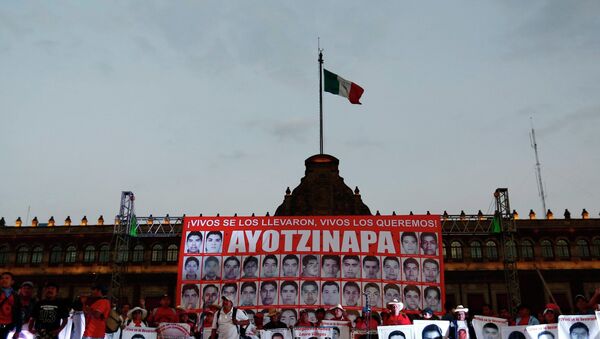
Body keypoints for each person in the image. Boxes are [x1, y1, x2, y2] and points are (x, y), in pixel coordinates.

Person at [0, 272, 21, 339]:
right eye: (2, 278)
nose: (4, 280)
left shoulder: (16, 296)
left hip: (7, 325)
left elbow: (18, 313)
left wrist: (18, 331)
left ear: (12, 282)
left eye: (7, 278)